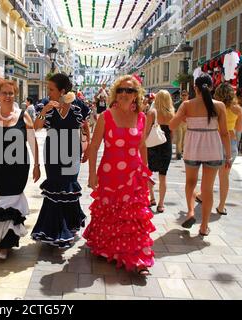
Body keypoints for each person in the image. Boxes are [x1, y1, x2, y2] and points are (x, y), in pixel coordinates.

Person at [83, 75, 155, 276]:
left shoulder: (142, 117)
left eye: (130, 90)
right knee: (110, 212)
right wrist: (91, 175)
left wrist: (146, 172)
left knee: (134, 217)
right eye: (121, 89)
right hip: (110, 174)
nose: (125, 93)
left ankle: (138, 258)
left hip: (134, 175)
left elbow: (142, 146)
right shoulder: (106, 116)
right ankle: (108, 248)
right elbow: (95, 146)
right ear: (116, 92)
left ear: (136, 95)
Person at [0, 80, 41, 260]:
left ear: (15, 95)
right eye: (4, 93)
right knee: (2, 200)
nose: (8, 96)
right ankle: (2, 236)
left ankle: (6, 244)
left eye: (11, 93)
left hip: (19, 167)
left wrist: (37, 165)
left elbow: (32, 142)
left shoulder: (24, 116)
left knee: (12, 202)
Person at [31, 73, 91, 248]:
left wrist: (87, 147)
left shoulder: (78, 105)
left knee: (69, 187)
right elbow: (36, 127)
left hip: (73, 150)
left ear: (62, 91)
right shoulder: (44, 104)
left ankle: (69, 224)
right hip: (53, 151)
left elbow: (85, 127)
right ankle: (54, 229)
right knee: (55, 186)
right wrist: (44, 111)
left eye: (51, 89)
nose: (48, 92)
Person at [169, 73, 231, 236]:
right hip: (213, 149)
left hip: (193, 148)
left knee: (190, 182)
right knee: (207, 188)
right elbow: (224, 133)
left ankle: (190, 212)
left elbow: (172, 125)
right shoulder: (219, 106)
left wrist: (185, 117)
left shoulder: (187, 104)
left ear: (194, 88)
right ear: (211, 88)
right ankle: (204, 226)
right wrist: (228, 156)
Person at [194, 83, 242, 215]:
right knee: (225, 177)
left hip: (215, 141)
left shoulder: (214, 107)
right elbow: (239, 129)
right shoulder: (238, 109)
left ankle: (203, 197)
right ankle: (221, 207)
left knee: (209, 175)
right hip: (231, 143)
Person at [146, 90, 175, 213]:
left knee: (148, 173)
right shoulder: (172, 114)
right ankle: (161, 204)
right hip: (166, 146)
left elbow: (146, 131)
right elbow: (172, 134)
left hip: (152, 145)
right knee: (163, 176)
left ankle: (151, 197)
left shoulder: (152, 113)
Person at [174, 90, 189, 160]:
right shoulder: (177, 104)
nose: (184, 96)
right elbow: (174, 113)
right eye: (183, 95)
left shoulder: (190, 103)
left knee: (185, 139)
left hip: (186, 123)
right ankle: (178, 153)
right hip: (179, 123)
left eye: (185, 95)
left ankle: (182, 151)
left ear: (188, 96)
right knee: (179, 138)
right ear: (181, 96)